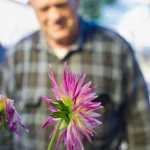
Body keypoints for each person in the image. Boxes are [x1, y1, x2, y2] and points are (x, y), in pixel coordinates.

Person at [0, 0, 150, 149]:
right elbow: (4, 128)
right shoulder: (16, 56)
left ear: (77, 2)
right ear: (32, 6)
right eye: (44, 9)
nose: (55, 16)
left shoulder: (117, 49)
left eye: (61, 5)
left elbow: (142, 130)